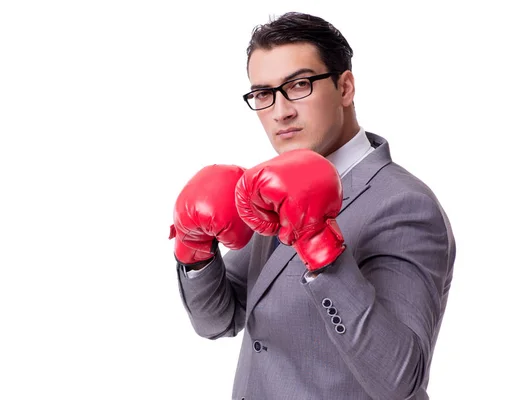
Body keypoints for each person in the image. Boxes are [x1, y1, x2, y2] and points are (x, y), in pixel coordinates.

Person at [169, 11, 456, 400]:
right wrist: (194, 251)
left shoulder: (405, 204)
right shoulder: (269, 189)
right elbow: (217, 321)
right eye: (263, 93)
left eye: (299, 84)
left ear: (345, 87)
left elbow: (400, 380)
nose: (280, 111)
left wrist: (320, 245)